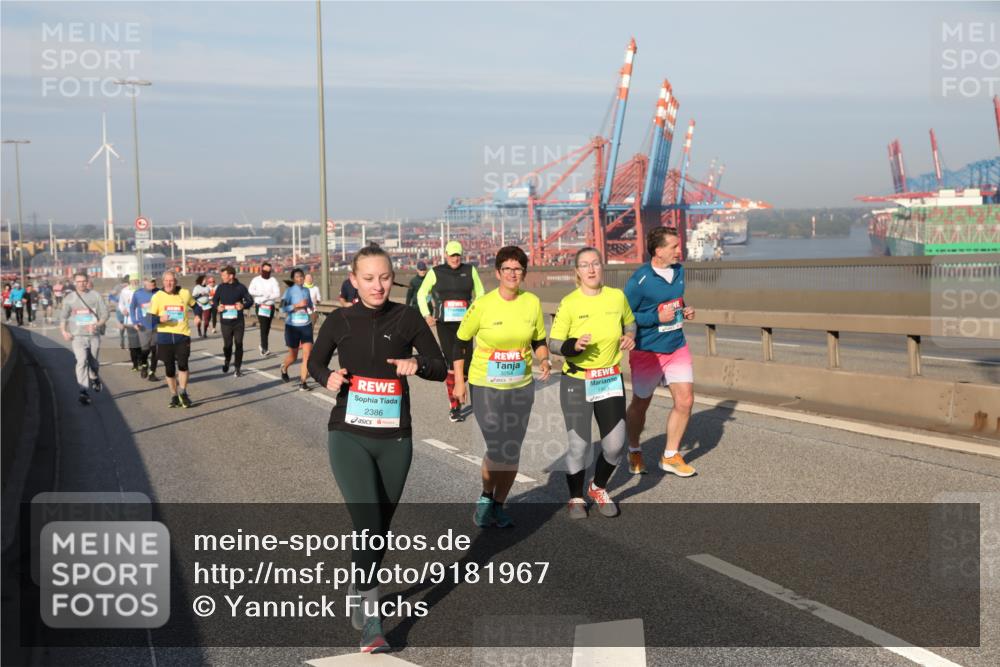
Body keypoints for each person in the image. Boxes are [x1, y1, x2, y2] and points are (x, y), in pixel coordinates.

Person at [307, 243, 447, 654]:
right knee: (369, 522)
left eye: (384, 277)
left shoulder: (407, 318)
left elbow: (439, 367)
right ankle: (372, 620)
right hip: (348, 434)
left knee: (379, 528)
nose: (377, 285)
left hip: (395, 439)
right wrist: (327, 379)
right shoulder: (339, 319)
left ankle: (358, 579)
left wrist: (415, 365)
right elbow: (315, 363)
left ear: (393, 277)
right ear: (353, 280)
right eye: (368, 278)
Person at [453, 246, 550, 529]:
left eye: (517, 269)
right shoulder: (483, 304)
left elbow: (538, 341)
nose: (512, 274)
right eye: (507, 269)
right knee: (497, 447)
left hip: (520, 386)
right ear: (497, 273)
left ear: (524, 273)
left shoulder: (531, 302)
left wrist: (544, 359)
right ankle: (485, 496)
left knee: (512, 449)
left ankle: (499, 504)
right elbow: (460, 342)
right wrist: (459, 380)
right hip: (486, 385)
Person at [549, 247, 636, 519]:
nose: (591, 269)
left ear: (602, 267)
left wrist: (629, 337)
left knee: (615, 445)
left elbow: (630, 324)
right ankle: (575, 497)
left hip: (609, 379)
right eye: (584, 265)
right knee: (579, 446)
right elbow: (553, 343)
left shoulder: (617, 297)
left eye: (595, 264)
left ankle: (597, 486)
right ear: (577, 272)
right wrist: (573, 346)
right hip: (577, 381)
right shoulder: (570, 302)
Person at [624, 226, 697, 477]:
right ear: (658, 251)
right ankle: (634, 448)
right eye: (674, 246)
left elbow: (675, 299)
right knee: (641, 404)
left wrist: (684, 309)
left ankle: (670, 456)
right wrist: (655, 317)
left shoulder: (679, 271)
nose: (679, 250)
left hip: (676, 345)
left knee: (685, 400)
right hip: (648, 351)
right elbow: (625, 316)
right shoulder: (639, 280)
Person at [416, 241, 486, 422]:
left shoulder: (470, 270)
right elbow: (421, 294)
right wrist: (426, 315)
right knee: (451, 363)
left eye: (458, 255)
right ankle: (455, 406)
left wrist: (476, 312)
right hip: (445, 325)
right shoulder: (435, 272)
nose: (455, 259)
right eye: (452, 255)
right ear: (445, 255)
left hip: (466, 324)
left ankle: (461, 391)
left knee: (467, 364)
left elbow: (481, 293)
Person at [147, 270, 196, 408]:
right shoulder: (157, 296)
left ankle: (183, 392)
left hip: (182, 335)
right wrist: (159, 318)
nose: (169, 283)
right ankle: (174, 395)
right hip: (164, 337)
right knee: (169, 369)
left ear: (176, 281)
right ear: (163, 282)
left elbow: (195, 305)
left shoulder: (184, 293)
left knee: (183, 364)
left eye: (172, 280)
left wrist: (198, 316)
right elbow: (149, 319)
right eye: (166, 281)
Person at [59, 271, 110, 405]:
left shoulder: (95, 295)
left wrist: (96, 324)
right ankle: (83, 391)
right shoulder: (69, 298)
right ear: (74, 282)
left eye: (84, 281)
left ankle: (94, 376)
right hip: (77, 336)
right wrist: (64, 331)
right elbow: (63, 317)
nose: (81, 284)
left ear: (87, 282)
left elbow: (105, 314)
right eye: (78, 282)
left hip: (93, 335)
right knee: (81, 361)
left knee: (93, 362)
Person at [212, 265, 254, 377]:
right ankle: (227, 360)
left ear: (231, 276)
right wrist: (217, 307)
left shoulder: (241, 287)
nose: (222, 277)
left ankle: (237, 368)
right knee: (228, 345)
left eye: (224, 275)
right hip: (225, 322)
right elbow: (215, 300)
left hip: (238, 322)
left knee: (239, 344)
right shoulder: (221, 287)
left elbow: (250, 300)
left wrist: (243, 305)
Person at [280, 268, 315, 391]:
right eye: (297, 277)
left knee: (307, 355)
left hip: (306, 325)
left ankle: (303, 382)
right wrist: (296, 305)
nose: (300, 279)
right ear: (293, 279)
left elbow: (310, 305)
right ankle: (284, 368)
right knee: (293, 356)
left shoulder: (306, 290)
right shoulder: (288, 292)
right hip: (292, 327)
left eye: (301, 276)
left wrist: (311, 308)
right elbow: (281, 309)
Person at [130, 276, 160, 381]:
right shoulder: (138, 293)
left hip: (157, 325)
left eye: (154, 281)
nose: (153, 283)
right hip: (143, 326)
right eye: (151, 282)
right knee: (145, 350)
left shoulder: (160, 292)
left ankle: (152, 373)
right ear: (144, 282)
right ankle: (144, 365)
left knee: (155, 350)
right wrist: (134, 321)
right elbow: (132, 307)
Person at [249, 262, 280, 356]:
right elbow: (250, 290)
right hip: (261, 306)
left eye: (269, 270)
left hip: (270, 306)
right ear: (261, 270)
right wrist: (261, 293)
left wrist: (267, 297)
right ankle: (265, 349)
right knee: (263, 326)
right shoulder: (256, 280)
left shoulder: (273, 280)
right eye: (265, 270)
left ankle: (262, 344)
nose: (267, 272)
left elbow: (277, 294)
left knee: (267, 327)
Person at [118, 276, 142, 371]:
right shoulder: (124, 291)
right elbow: (121, 303)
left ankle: (141, 360)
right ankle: (135, 363)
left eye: (136, 281)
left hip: (141, 321)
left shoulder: (142, 290)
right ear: (130, 281)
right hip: (129, 321)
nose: (135, 282)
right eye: (133, 281)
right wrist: (123, 309)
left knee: (141, 342)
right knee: (132, 343)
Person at [191, 274, 212, 339]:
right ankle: (199, 330)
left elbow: (209, 296)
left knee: (207, 320)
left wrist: (210, 299)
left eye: (206, 279)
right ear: (201, 280)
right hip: (199, 305)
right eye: (204, 279)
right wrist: (200, 294)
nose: (206, 280)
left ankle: (205, 333)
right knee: (199, 320)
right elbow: (193, 297)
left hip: (207, 305)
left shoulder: (208, 287)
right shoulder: (197, 287)